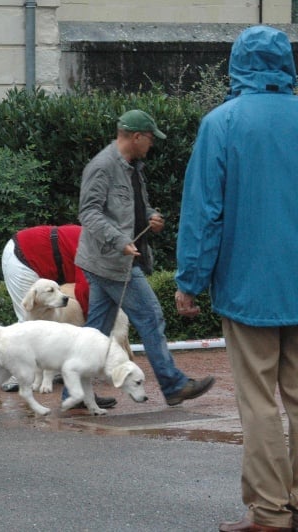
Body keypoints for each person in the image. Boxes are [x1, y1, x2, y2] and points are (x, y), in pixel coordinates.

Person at [176, 26, 298, 532]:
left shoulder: (222, 124)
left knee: (258, 402)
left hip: (250, 287)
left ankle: (271, 512)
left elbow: (205, 213)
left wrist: (189, 280)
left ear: (238, 65)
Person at [74, 109, 215, 409]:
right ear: (136, 137)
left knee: (95, 331)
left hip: (110, 260)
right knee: (151, 316)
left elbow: (139, 206)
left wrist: (151, 217)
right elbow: (88, 213)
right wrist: (119, 240)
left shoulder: (132, 166)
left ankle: (73, 394)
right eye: (150, 138)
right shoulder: (102, 166)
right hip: (111, 262)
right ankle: (174, 385)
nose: (152, 144)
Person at [0, 224, 117, 409]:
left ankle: (56, 371)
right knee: (29, 322)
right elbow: (84, 289)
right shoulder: (91, 244)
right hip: (22, 258)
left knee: (51, 327)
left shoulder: (96, 240)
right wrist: (91, 323)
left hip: (34, 255)